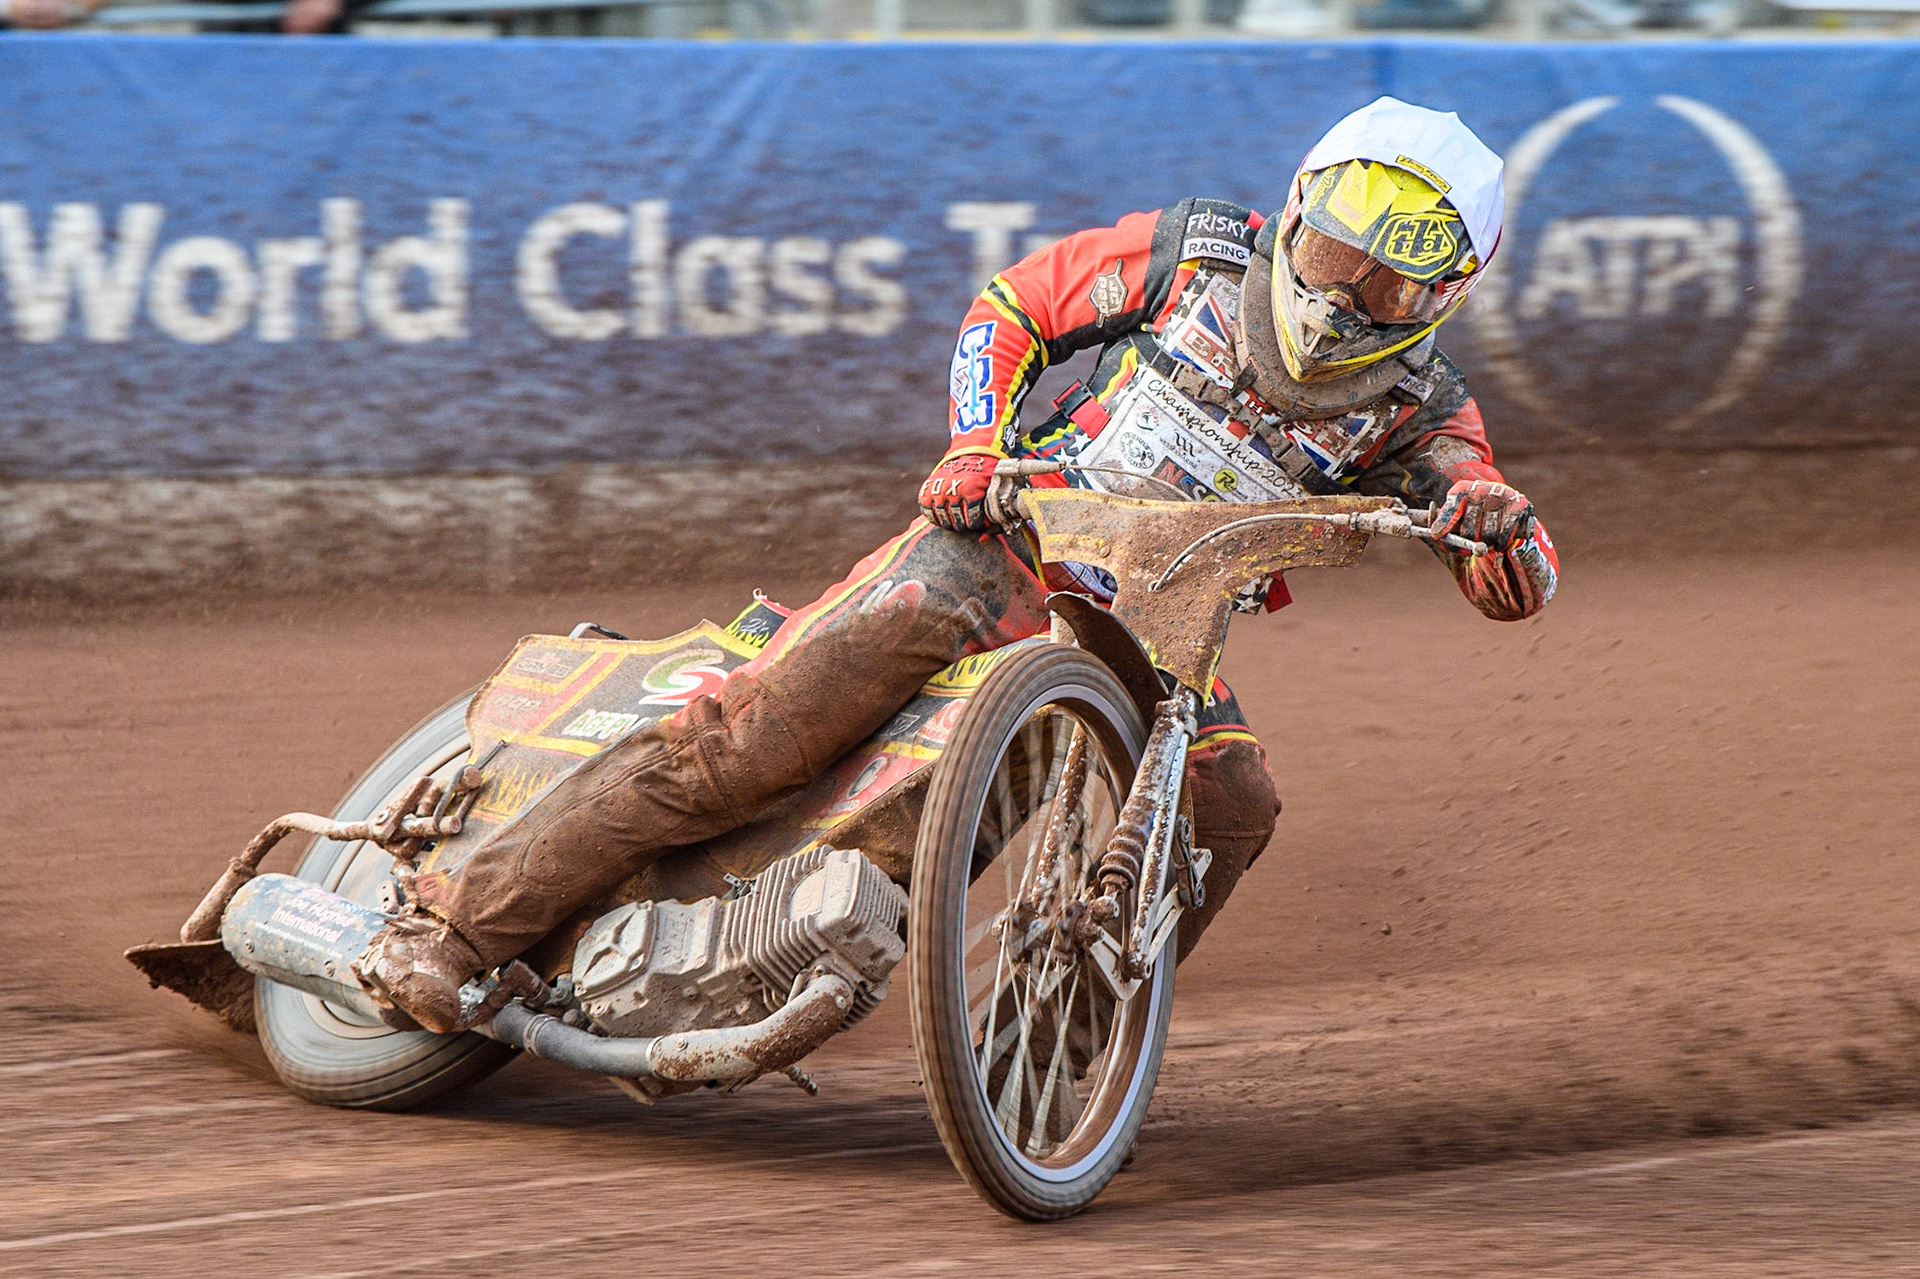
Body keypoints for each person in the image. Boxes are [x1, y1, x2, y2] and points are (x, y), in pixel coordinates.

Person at [359, 95, 1559, 1035]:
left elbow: (1508, 549)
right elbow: (1014, 306)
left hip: (1160, 642)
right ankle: (456, 930)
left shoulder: (1423, 410)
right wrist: (976, 443)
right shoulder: (1197, 252)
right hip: (1004, 542)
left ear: (1445, 291)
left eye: (1386, 278)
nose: (1348, 290)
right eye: (1339, 251)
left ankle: (1069, 1052)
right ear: (1300, 209)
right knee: (745, 743)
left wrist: (1500, 532)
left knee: (1232, 807)